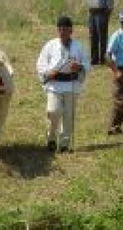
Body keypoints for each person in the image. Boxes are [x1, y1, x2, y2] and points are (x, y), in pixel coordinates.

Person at [36, 16, 90, 153]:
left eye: (65, 29)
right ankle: (51, 139)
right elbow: (40, 64)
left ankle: (65, 144)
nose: (62, 31)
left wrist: (79, 67)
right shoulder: (50, 45)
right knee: (53, 112)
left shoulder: (78, 46)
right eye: (59, 29)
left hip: (71, 84)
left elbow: (87, 64)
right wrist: (49, 72)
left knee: (68, 116)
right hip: (54, 84)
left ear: (71, 30)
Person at [86, 0, 114, 65]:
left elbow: (110, 5)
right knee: (92, 37)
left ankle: (102, 59)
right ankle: (94, 59)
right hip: (92, 14)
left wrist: (106, 16)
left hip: (101, 13)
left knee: (102, 37)